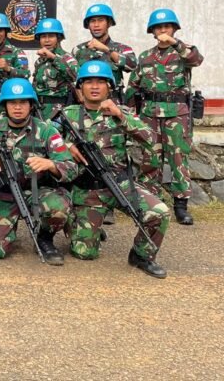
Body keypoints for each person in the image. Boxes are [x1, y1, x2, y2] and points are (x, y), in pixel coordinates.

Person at [59, 61, 169, 278]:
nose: (94, 86)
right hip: (86, 191)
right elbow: (45, 140)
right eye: (88, 82)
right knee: (84, 253)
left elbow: (150, 139)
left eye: (101, 81)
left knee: (159, 212)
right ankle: (80, 225)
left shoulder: (122, 112)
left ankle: (141, 255)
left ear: (110, 86)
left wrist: (120, 115)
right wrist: (66, 145)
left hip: (120, 184)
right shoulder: (68, 114)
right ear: (80, 87)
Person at [0, 78, 77, 265]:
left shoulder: (46, 130)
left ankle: (44, 239)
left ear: (31, 104)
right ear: (5, 105)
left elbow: (71, 167)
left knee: (58, 206)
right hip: (4, 194)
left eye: (23, 102)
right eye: (12, 102)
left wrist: (50, 164)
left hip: (37, 191)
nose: (18, 107)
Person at [125, 8, 204, 225]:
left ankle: (181, 205)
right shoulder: (145, 57)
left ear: (175, 28)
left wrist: (176, 43)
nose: (163, 30)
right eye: (159, 27)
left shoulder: (183, 53)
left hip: (176, 115)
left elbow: (197, 59)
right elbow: (133, 86)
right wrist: (128, 114)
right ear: (152, 31)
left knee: (178, 159)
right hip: (150, 114)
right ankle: (151, 202)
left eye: (167, 26)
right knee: (150, 158)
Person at [73, 3, 136, 101]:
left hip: (114, 104)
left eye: (101, 20)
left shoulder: (122, 49)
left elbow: (132, 66)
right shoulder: (78, 50)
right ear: (88, 25)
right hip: (86, 106)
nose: (96, 25)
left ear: (109, 23)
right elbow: (72, 77)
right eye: (92, 21)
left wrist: (107, 50)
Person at [32, 18, 78, 120]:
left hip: (59, 112)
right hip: (39, 110)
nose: (47, 40)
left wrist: (53, 57)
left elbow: (76, 75)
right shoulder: (40, 61)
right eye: (43, 36)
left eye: (51, 36)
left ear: (59, 38)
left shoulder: (67, 57)